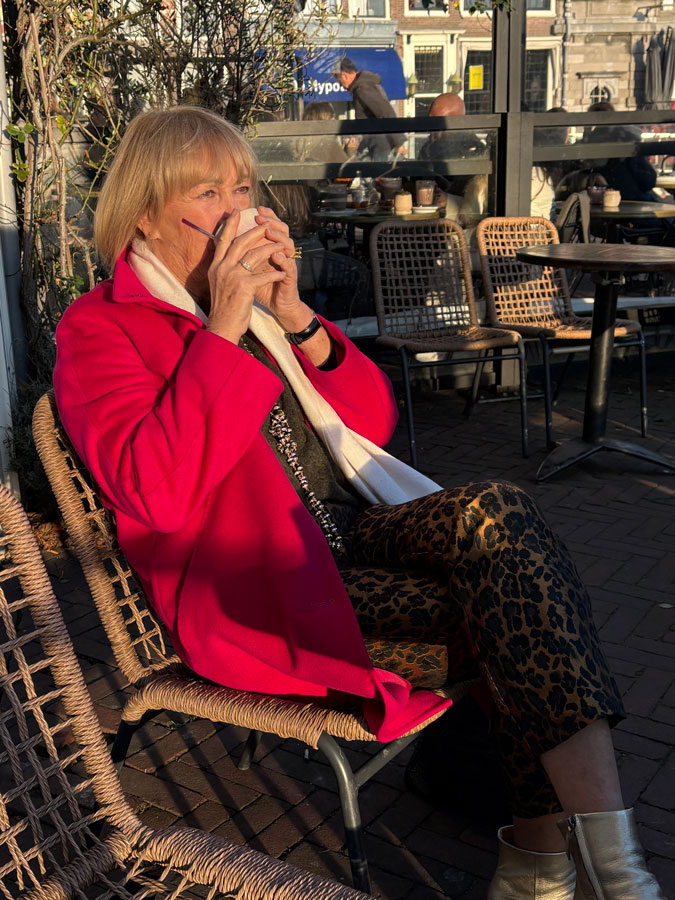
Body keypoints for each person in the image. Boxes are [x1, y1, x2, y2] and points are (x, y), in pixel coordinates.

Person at [53, 106, 664, 900]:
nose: (239, 210)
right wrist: (226, 329)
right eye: (208, 194)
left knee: (499, 515)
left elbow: (370, 424)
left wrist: (294, 317)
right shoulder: (103, 328)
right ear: (143, 213)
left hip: (350, 532)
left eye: (244, 186)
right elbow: (155, 493)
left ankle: (582, 867)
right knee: (517, 608)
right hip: (257, 586)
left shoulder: (262, 313)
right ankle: (569, 868)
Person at [331, 57, 406, 161]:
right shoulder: (365, 85)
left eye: (339, 81)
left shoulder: (363, 88)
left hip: (382, 147)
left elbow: (385, 112)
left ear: (344, 75)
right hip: (380, 145)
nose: (340, 85)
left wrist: (398, 143)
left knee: (379, 175)